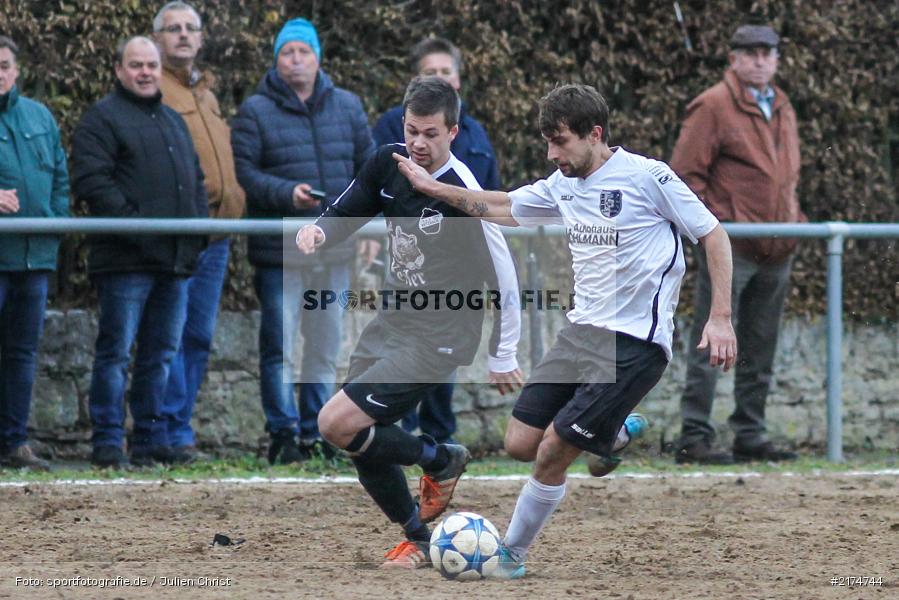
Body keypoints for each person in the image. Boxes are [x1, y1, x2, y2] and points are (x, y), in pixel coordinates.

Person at [393, 83, 737, 577]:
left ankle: (511, 555)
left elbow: (712, 233)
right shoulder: (562, 184)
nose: (553, 155)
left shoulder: (649, 178)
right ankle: (614, 433)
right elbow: (502, 207)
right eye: (547, 144)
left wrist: (720, 317)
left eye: (561, 142)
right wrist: (432, 189)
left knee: (552, 451)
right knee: (518, 443)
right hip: (580, 333)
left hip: (635, 342)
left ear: (594, 134)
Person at [295, 76, 522, 569]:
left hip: (442, 335)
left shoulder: (463, 191)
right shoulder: (389, 162)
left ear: (453, 132)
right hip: (391, 323)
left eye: (431, 134)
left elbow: (505, 274)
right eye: (412, 130)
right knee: (358, 440)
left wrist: (504, 353)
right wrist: (319, 228)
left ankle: (439, 460)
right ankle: (418, 537)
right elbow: (350, 204)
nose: (419, 143)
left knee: (335, 422)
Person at [231, 18, 375, 464]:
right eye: (287, 52)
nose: (296, 59)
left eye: (303, 51)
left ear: (318, 58)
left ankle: (319, 431)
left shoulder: (348, 107)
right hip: (280, 251)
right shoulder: (254, 110)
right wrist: (285, 194)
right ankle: (282, 434)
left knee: (326, 344)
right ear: (276, 60)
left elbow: (368, 172)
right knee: (279, 347)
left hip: (334, 248)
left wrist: (368, 227)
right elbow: (246, 174)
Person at [71, 36, 208, 469]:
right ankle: (108, 443)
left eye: (151, 64)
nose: (145, 71)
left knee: (160, 354)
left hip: (174, 261)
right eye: (136, 65)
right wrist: (138, 226)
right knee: (115, 353)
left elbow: (195, 180)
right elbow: (93, 182)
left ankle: (149, 441)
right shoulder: (101, 119)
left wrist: (198, 230)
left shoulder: (172, 119)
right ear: (118, 69)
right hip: (125, 261)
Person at [672, 24, 801, 464]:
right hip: (731, 248)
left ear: (777, 58)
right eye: (751, 52)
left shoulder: (782, 105)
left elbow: (787, 177)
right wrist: (716, 229)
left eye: (768, 52)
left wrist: (794, 219)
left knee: (760, 346)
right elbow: (684, 179)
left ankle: (750, 432)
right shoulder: (712, 105)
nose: (761, 59)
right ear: (734, 58)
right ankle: (694, 434)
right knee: (713, 339)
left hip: (778, 247)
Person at [373, 36, 502, 445]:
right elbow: (369, 188)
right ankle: (393, 428)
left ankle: (439, 435)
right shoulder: (389, 133)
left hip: (454, 274)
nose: (420, 141)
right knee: (396, 344)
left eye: (446, 72)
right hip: (407, 265)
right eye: (431, 72)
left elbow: (492, 200)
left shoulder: (476, 137)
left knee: (441, 354)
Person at [154, 1, 246, 463]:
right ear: (158, 39)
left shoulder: (206, 95)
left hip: (218, 237)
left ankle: (181, 427)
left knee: (198, 337)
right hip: (184, 235)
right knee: (170, 336)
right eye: (174, 29)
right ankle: (165, 430)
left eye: (191, 28)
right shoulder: (158, 92)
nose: (184, 36)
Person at [0, 36, 69, 471]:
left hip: (34, 257)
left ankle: (14, 440)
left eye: (4, 64)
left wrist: (54, 224)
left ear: (16, 69)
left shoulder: (39, 116)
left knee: (23, 353)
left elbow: (59, 177)